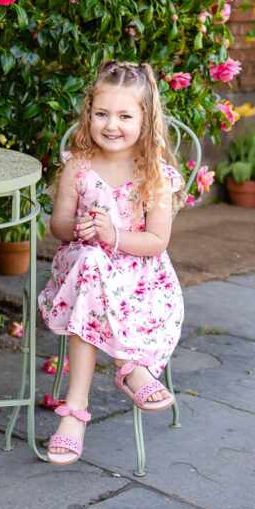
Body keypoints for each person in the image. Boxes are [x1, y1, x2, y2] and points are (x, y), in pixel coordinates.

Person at [38, 60, 184, 465]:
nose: (111, 125)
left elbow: (157, 241)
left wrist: (112, 236)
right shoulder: (79, 167)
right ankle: (129, 368)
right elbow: (58, 225)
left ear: (146, 118)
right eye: (102, 114)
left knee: (93, 275)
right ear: (89, 114)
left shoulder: (154, 173)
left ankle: (74, 413)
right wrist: (81, 228)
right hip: (82, 272)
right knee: (88, 264)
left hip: (141, 281)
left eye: (124, 115)